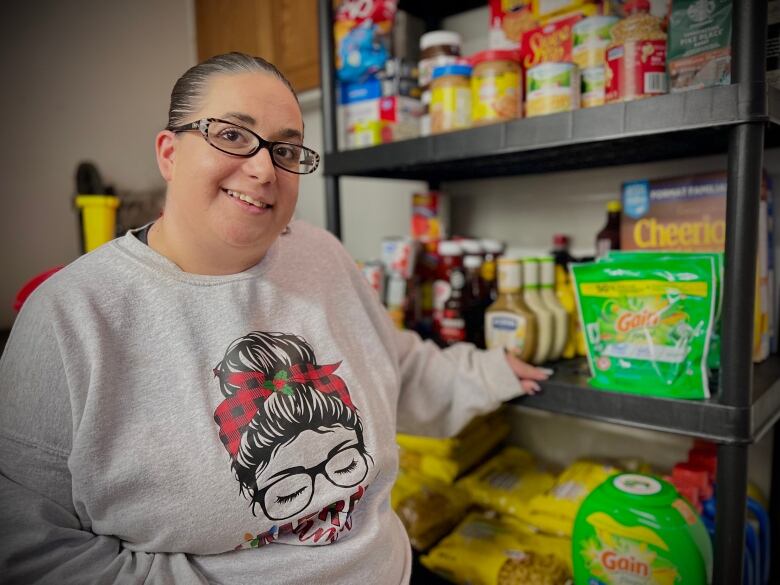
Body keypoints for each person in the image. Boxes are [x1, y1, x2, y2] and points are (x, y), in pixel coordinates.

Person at [0, 52, 548, 584]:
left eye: (287, 150)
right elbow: (29, 545)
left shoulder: (321, 255)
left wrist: (488, 372)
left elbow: (392, 367)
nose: (264, 168)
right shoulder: (71, 315)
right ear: (169, 153)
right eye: (232, 135)